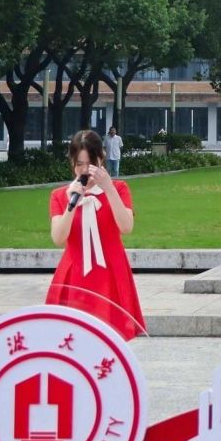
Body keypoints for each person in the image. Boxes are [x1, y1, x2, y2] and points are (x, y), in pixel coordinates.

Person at [47, 129, 144, 340]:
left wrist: (108, 188)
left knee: (112, 340)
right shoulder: (60, 195)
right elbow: (58, 237)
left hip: (111, 272)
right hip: (74, 274)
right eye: (79, 164)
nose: (85, 170)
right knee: (71, 339)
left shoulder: (119, 189)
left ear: (101, 158)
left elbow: (126, 226)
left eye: (90, 164)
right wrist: (72, 203)